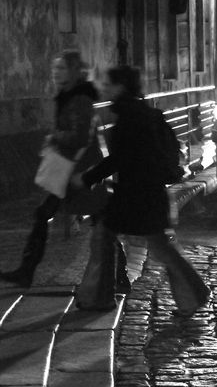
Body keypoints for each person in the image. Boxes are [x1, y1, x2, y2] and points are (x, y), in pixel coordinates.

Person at [77, 65, 210, 319]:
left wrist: (89, 177)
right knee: (159, 245)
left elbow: (121, 158)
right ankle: (193, 295)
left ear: (121, 86)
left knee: (110, 236)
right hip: (147, 193)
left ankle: (99, 298)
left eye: (109, 83)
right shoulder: (143, 113)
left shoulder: (130, 116)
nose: (104, 87)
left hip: (137, 195)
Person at [0, 50, 101, 288]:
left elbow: (79, 137)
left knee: (99, 217)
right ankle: (26, 270)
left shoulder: (79, 99)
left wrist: (55, 137)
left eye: (62, 68)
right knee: (56, 214)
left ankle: (27, 271)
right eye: (55, 68)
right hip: (73, 168)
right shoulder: (69, 96)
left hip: (78, 170)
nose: (56, 72)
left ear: (75, 72)